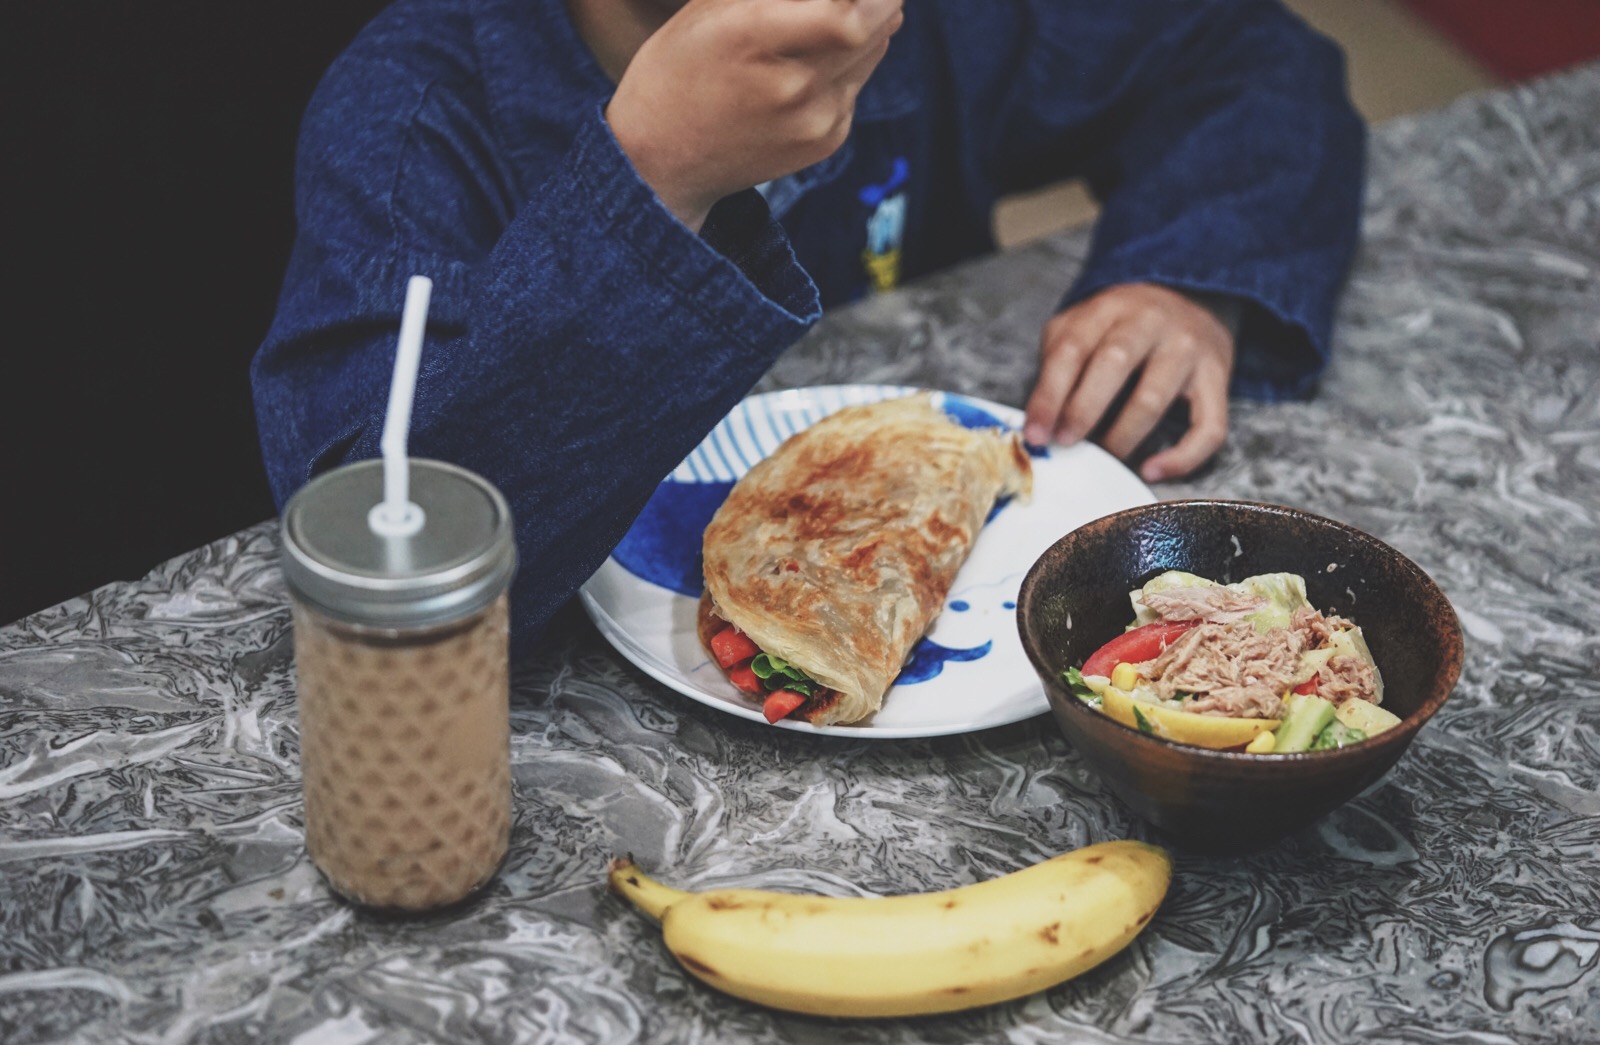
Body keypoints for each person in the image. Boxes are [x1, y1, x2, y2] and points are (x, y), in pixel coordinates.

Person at [251, 0, 1365, 652]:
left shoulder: (930, 26)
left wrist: (1186, 279)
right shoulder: (412, 110)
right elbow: (380, 571)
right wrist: (653, 178)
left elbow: (1244, 57)